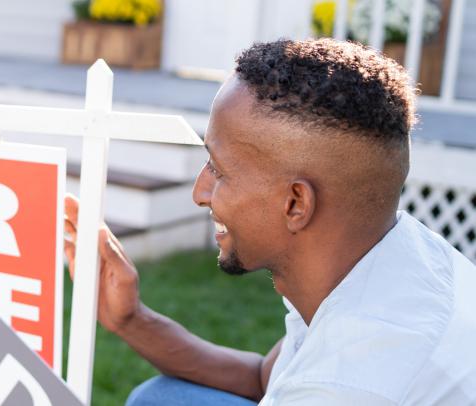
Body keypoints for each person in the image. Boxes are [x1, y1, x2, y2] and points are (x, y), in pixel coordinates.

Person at [63, 38, 476, 405]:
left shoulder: (349, 383)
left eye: (219, 170)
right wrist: (130, 318)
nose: (199, 192)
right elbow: (264, 378)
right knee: (164, 398)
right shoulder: (379, 255)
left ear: (296, 204)